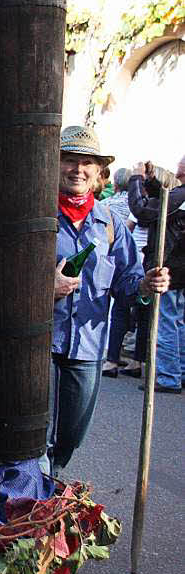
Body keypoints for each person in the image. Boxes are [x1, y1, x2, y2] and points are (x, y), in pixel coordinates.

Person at [48, 125, 169, 477]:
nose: (78, 169)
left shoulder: (109, 223)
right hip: (38, 346)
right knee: (34, 439)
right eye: (70, 159)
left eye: (87, 162)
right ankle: (35, 498)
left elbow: (128, 282)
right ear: (55, 164)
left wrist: (146, 285)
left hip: (87, 348)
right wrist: (45, 288)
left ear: (99, 172)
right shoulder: (36, 217)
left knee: (71, 437)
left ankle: (50, 486)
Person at [128, 156, 185, 393]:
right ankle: (178, 372)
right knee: (178, 323)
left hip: (169, 269)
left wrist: (136, 178)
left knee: (167, 323)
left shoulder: (182, 195)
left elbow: (144, 211)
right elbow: (162, 204)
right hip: (180, 268)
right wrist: (151, 181)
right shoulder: (179, 197)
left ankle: (169, 376)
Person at [102, 167, 136, 377]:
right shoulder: (130, 205)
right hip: (128, 269)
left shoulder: (106, 207)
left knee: (119, 313)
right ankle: (133, 360)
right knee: (131, 314)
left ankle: (112, 359)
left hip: (121, 268)